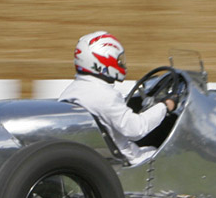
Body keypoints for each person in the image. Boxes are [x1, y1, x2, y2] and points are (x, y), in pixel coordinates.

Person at [59, 31, 175, 166]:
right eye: (118, 60)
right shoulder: (104, 95)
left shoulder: (71, 91)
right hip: (128, 160)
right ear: (103, 61)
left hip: (98, 156)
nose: (121, 64)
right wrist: (165, 106)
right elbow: (136, 130)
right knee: (172, 155)